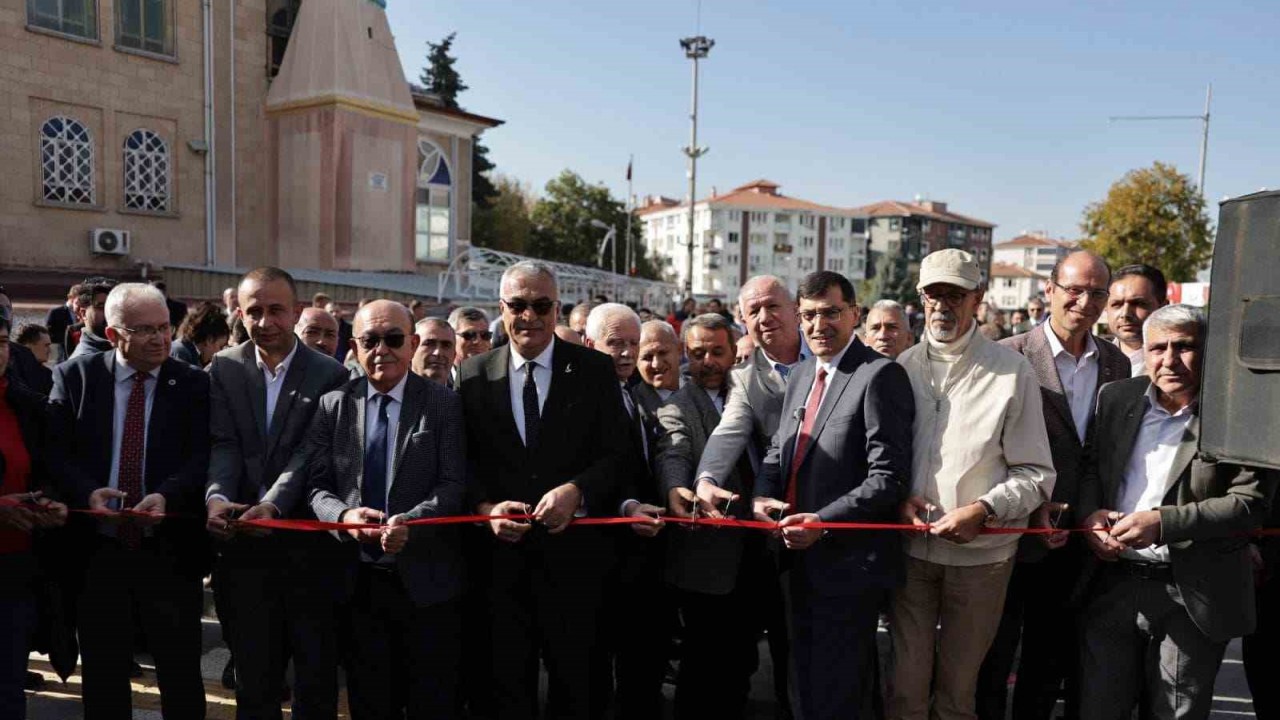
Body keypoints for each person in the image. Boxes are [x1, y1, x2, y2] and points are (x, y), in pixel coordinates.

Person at [1075, 304, 1274, 719]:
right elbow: (1092, 469)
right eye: (1157, 348)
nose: (1169, 360)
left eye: (1183, 347)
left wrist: (1163, 523)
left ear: (1208, 350)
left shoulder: (1240, 412)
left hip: (1193, 592)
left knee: (1176, 712)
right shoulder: (1117, 397)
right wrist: (1090, 515)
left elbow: (1247, 504)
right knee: (1098, 706)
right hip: (1115, 583)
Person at [458, 261, 630, 720]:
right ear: (502, 309)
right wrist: (486, 507)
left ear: (557, 309)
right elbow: (462, 462)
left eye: (540, 305)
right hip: (500, 569)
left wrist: (578, 491)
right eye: (518, 305)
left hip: (575, 565)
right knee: (505, 688)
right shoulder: (472, 375)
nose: (528, 316)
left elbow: (619, 454)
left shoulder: (594, 370)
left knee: (578, 687)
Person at [890, 249, 1056, 720]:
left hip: (982, 560)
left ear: (977, 298)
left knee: (958, 694)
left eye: (955, 295)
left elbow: (1036, 474)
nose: (943, 305)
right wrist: (901, 498)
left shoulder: (1011, 371)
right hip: (912, 556)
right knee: (904, 687)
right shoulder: (900, 367)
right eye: (934, 294)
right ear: (920, 298)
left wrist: (982, 510)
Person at [748, 272, 914, 719]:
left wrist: (821, 522)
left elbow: (888, 478)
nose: (819, 325)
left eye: (830, 313)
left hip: (847, 565)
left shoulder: (880, 375)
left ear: (854, 314)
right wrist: (761, 495)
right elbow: (778, 450)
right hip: (793, 559)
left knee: (840, 690)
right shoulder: (802, 373)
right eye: (808, 315)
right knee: (802, 684)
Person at [977, 251, 1131, 720]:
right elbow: (987, 451)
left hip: (1075, 537)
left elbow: (1097, 452)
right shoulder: (1007, 356)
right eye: (1074, 290)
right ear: (1050, 290)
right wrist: (1028, 511)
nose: (1085, 302)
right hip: (1012, 534)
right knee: (993, 656)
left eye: (1097, 293)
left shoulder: (1115, 364)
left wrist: (1082, 513)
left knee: (1048, 663)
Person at [295, 300, 468, 719]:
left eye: (393, 339)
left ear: (412, 344)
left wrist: (415, 522)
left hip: (425, 583)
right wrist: (343, 518)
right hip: (358, 585)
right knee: (370, 701)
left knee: (431, 702)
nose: (382, 350)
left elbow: (454, 484)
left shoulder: (443, 404)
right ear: (354, 347)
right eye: (370, 340)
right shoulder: (333, 404)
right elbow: (317, 487)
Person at [48, 283, 210, 719]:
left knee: (179, 675)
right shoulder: (75, 377)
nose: (160, 339)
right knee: (103, 676)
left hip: (168, 552)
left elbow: (204, 456)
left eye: (165, 327)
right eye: (145, 331)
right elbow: (55, 454)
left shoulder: (194, 383)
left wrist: (168, 494)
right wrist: (86, 492)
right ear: (115, 335)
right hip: (98, 553)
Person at [204, 267, 350, 719]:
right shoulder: (225, 367)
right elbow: (223, 442)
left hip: (307, 552)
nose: (265, 322)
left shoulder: (329, 373)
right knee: (254, 678)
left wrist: (273, 504)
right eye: (254, 312)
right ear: (239, 313)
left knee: (314, 677)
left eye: (276, 311)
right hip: (243, 552)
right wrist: (217, 497)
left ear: (296, 310)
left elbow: (312, 454)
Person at [693, 275, 805, 711]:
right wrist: (705, 481)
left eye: (772, 306)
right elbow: (728, 433)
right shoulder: (745, 378)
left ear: (795, 308)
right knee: (782, 649)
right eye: (753, 311)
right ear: (743, 322)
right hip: (776, 532)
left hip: (838, 527)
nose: (765, 317)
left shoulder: (836, 360)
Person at [655, 312, 761, 720]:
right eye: (698, 353)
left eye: (718, 351)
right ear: (686, 355)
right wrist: (675, 489)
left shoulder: (754, 392)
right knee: (702, 666)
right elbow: (673, 451)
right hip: (708, 560)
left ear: (735, 350)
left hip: (758, 551)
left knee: (742, 660)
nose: (708, 361)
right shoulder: (678, 406)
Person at [583, 303, 667, 720]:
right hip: (599, 555)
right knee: (596, 667)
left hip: (642, 554)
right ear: (589, 344)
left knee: (641, 665)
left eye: (633, 343)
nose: (626, 353)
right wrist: (626, 505)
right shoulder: (579, 401)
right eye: (614, 343)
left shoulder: (635, 394)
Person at [0, 316, 69, 720]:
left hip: (16, 569)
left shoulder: (25, 404)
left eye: (4, 341)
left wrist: (51, 503)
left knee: (9, 688)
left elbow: (48, 466)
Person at [1105, 263, 1168, 377]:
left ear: (1163, 307)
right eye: (1117, 304)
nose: (1125, 314)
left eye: (1138, 304)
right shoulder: (1092, 359)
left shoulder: (1179, 364)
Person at [634, 320, 681, 415]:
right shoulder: (632, 405)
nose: (657, 364)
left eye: (662, 353)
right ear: (635, 361)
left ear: (679, 350)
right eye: (647, 357)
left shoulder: (702, 388)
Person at [170, 302, 230, 368]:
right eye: (220, 347)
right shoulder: (181, 353)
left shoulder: (193, 354)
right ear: (209, 340)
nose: (221, 352)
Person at [66, 280, 114, 360]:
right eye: (101, 307)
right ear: (83, 313)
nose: (108, 312)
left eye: (111, 307)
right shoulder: (80, 365)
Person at [448, 307, 492, 387]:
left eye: (484, 335)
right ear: (451, 338)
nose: (478, 341)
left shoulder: (501, 380)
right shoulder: (439, 380)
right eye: (469, 335)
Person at [412, 317, 456, 387]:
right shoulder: (392, 393)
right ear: (411, 349)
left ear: (454, 355)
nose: (438, 353)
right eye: (429, 344)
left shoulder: (461, 396)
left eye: (446, 345)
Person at [44, 284, 79, 360]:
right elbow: (48, 334)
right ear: (70, 297)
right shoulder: (55, 312)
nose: (80, 303)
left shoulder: (84, 312)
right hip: (61, 355)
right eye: (78, 299)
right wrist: (69, 337)